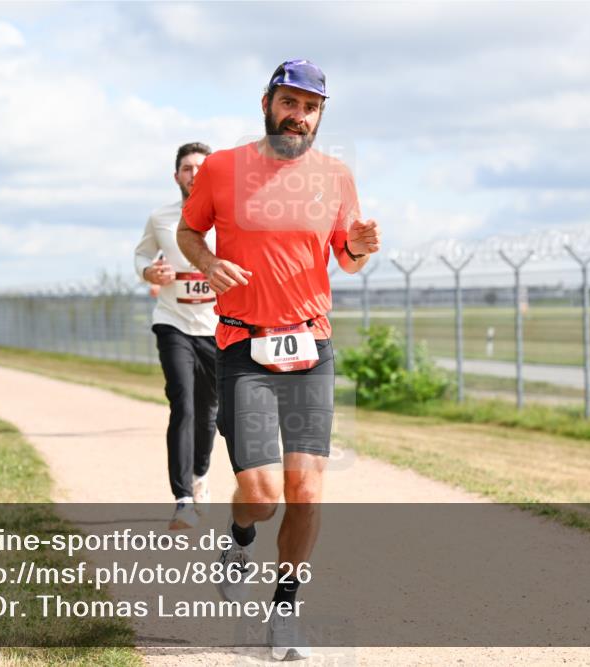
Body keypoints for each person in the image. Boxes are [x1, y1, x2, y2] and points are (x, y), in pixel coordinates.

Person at [177, 59, 380, 660]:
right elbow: (191, 234)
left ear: (320, 116)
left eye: (311, 107)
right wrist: (209, 265)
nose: (299, 116)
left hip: (311, 345)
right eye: (290, 102)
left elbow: (347, 258)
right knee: (262, 495)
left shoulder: (336, 176)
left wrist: (362, 249)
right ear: (266, 102)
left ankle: (285, 614)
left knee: (308, 493)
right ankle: (240, 537)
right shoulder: (221, 168)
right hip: (243, 344)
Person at [135, 142, 219, 530]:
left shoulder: (228, 217)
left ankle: (200, 476)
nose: (194, 173)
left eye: (201, 167)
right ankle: (182, 499)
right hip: (172, 321)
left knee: (208, 412)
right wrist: (149, 272)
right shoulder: (160, 217)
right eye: (187, 168)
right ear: (177, 176)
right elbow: (141, 255)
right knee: (182, 403)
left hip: (218, 327)